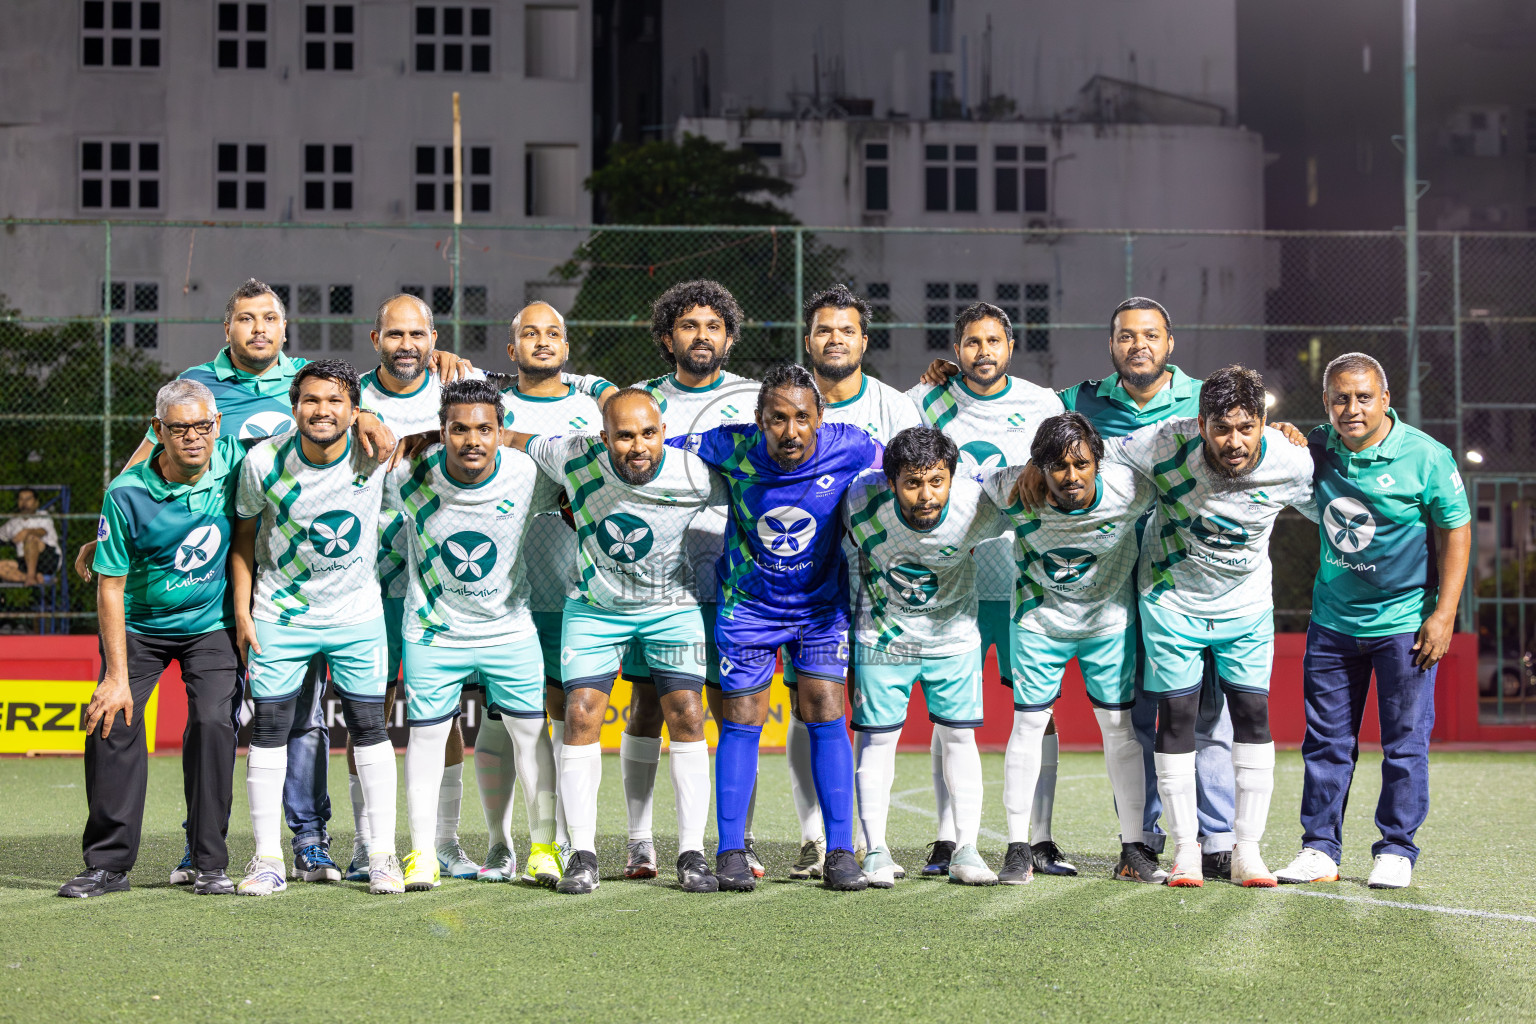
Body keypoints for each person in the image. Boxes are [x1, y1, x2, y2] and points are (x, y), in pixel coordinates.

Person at [71, 278, 438, 887]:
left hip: (303, 589)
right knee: (249, 721)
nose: (259, 328)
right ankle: (191, 851)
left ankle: (309, 839)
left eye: (270, 318)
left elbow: (352, 397)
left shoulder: (312, 380)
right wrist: (110, 528)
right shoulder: (198, 384)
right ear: (228, 329)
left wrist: (371, 412)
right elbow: (145, 461)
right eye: (246, 318)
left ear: (285, 329)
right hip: (236, 586)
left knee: (301, 720)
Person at [925, 295, 1239, 877]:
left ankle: (1189, 842)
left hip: (1149, 595)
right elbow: (970, 499)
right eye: (1126, 335)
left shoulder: (1154, 460)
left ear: (1170, 343)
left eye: (1150, 334)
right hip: (1042, 610)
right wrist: (941, 542)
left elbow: (1231, 445)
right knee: (1045, 722)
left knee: (1180, 715)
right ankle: (1022, 845)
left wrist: (1281, 437)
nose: (1070, 475)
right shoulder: (1039, 450)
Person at [503, 388, 723, 894]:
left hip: (670, 607)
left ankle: (691, 853)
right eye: (624, 436)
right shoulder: (573, 456)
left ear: (664, 432)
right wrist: (427, 438)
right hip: (595, 608)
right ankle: (582, 855)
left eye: (648, 434)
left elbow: (755, 493)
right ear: (604, 438)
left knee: (688, 713)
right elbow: (511, 438)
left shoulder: (693, 473)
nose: (638, 446)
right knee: (580, 714)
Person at [673, 364, 884, 892]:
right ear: (759, 419)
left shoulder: (852, 445)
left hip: (820, 608)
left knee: (826, 710)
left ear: (820, 418)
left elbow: (908, 468)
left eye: (802, 418)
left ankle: (840, 851)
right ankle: (730, 851)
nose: (791, 431)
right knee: (742, 718)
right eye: (777, 419)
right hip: (749, 607)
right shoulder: (730, 446)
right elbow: (655, 452)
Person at [1107, 366, 1315, 887]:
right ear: (1200, 424)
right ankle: (1185, 852)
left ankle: (1247, 851)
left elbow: (1336, 508)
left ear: (1263, 422)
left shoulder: (1290, 461)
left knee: (1252, 714)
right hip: (1171, 599)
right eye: (1221, 429)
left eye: (1246, 427)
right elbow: (1102, 457)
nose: (1234, 442)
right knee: (1176, 717)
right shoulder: (1164, 442)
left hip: (1245, 608)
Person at [1275, 353, 1470, 890]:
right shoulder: (1317, 446)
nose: (1352, 408)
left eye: (1363, 397)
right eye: (1341, 398)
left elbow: (1456, 529)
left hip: (1404, 624)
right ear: (1326, 403)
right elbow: (1273, 457)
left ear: (1386, 399)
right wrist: (1284, 434)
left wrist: (1444, 614)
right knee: (1325, 742)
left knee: (1404, 742)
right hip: (1332, 623)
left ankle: (1397, 849)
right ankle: (1319, 849)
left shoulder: (1426, 456)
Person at [58, 380, 248, 898]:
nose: (193, 437)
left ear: (217, 426)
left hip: (210, 626)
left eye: (203, 426)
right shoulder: (125, 494)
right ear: (157, 430)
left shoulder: (238, 461)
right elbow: (110, 587)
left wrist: (366, 414)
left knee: (213, 723)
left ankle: (209, 863)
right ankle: (108, 865)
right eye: (180, 428)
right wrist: (116, 676)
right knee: (110, 719)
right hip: (139, 627)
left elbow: (308, 438)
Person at [907, 301, 1068, 878]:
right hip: (956, 585)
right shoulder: (926, 401)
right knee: (949, 717)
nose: (983, 351)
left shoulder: (1042, 404)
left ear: (1010, 346)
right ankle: (947, 837)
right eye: (972, 342)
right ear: (956, 350)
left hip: (1026, 581)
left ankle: (1040, 838)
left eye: (993, 340)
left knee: (1040, 712)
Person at [230, 360, 401, 896]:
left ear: (354, 409)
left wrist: (373, 420)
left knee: (370, 729)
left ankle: (383, 856)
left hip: (357, 615)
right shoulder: (263, 462)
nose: (321, 410)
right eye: (310, 400)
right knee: (269, 730)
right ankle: (266, 859)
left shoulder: (375, 452)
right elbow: (242, 537)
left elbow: (432, 446)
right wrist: (242, 611)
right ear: (294, 405)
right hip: (281, 614)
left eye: (334, 401)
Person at [390, 379, 564, 891]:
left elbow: (584, 479)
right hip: (433, 631)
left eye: (484, 429)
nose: (472, 440)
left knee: (532, 739)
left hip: (509, 630)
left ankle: (544, 849)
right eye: (459, 429)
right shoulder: (409, 473)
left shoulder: (526, 474)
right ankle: (422, 854)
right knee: (425, 740)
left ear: (501, 431)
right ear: (442, 431)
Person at [984, 413, 1163, 885]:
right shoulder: (1011, 488)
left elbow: (1175, 462)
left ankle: (1133, 848)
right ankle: (1018, 849)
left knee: (1119, 730)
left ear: (1097, 462)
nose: (1071, 476)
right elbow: (964, 485)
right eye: (1057, 466)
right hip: (1039, 622)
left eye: (1081, 464)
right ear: (1039, 467)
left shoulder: (1130, 489)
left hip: (1107, 622)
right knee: (1028, 726)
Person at [351, 293, 491, 883]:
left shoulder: (460, 385)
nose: (405, 345)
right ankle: (367, 845)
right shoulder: (349, 395)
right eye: (395, 334)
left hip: (444, 573)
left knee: (442, 711)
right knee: (372, 708)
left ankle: (446, 843)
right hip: (370, 573)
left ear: (434, 339)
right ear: (375, 340)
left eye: (417, 335)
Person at [843, 427, 1007, 887]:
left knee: (959, 739)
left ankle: (966, 850)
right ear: (891, 482)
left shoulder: (977, 506)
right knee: (877, 743)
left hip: (953, 641)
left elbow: (1031, 503)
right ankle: (875, 850)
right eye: (912, 483)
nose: (926, 494)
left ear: (953, 478)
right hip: (883, 638)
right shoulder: (858, 501)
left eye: (937, 481)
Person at [494, 301, 606, 880]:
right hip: (501, 586)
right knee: (502, 718)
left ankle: (564, 838)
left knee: (567, 712)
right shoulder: (493, 405)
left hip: (572, 585)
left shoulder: (589, 408)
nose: (542, 341)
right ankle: (498, 842)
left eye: (553, 333)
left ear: (566, 348)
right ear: (511, 348)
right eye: (530, 333)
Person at [0, 488, 62, 584]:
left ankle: (31, 576)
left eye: (28, 499)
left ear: (36, 503)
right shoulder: (13, 523)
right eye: (21, 499)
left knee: (30, 538)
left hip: (47, 558)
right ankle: (33, 579)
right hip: (24, 561)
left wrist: (27, 532)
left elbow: (42, 531)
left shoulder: (43, 516)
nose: (24, 503)